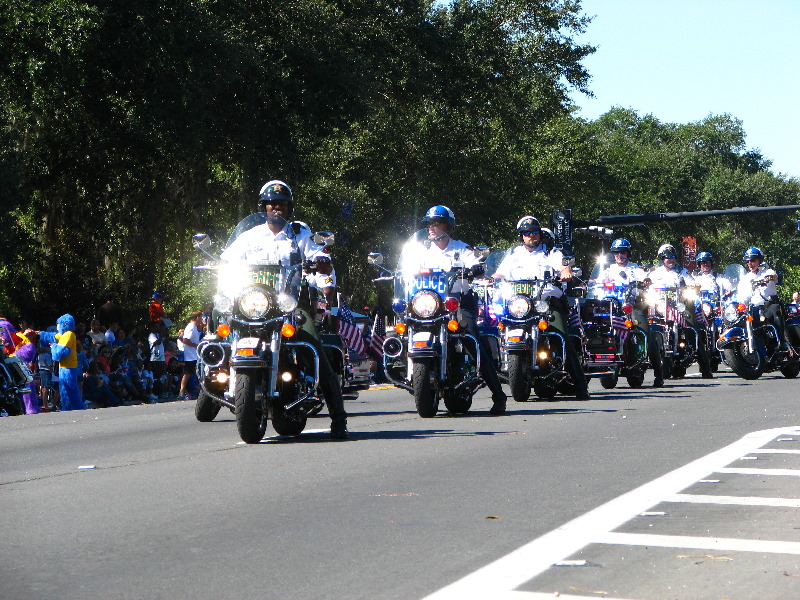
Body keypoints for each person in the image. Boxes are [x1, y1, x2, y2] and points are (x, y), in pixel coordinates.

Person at [219, 179, 349, 438]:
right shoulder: (249, 236)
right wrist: (222, 285)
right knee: (217, 323)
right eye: (271, 205)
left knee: (314, 345)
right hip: (253, 304)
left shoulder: (301, 234)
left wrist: (322, 264)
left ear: (289, 208)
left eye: (281, 205)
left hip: (291, 305)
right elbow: (226, 262)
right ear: (263, 207)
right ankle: (214, 367)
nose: (276, 209)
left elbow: (319, 258)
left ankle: (338, 417)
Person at [492, 215, 590, 400]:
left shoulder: (551, 252)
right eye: (527, 233)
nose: (531, 236)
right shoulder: (513, 253)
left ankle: (580, 384)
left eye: (534, 232)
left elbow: (562, 265)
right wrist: (490, 279)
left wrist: (566, 271)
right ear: (522, 236)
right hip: (519, 304)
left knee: (561, 335)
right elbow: (500, 273)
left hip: (546, 303)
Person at [595, 238, 664, 387]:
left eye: (623, 252)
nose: (620, 255)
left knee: (646, 333)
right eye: (617, 253)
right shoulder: (608, 270)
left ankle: (659, 374)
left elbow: (644, 276)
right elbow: (597, 285)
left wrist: (646, 280)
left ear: (628, 253)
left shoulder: (635, 269)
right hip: (611, 308)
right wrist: (593, 283)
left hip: (632, 308)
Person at [648, 243, 713, 378]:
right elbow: (647, 287)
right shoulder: (654, 274)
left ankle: (706, 368)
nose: (670, 259)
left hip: (680, 307)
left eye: (673, 257)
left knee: (693, 330)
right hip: (660, 308)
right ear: (662, 258)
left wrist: (694, 286)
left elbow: (693, 283)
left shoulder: (682, 272)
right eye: (667, 257)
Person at [736, 247, 789, 349]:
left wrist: (769, 278)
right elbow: (742, 295)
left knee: (775, 309)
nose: (750, 264)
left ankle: (781, 342)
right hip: (754, 309)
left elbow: (775, 277)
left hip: (768, 306)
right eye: (748, 261)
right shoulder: (745, 278)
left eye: (753, 260)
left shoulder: (767, 271)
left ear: (759, 260)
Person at [177, 311, 203, 400]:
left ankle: (187, 391)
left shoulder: (193, 327)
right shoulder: (191, 327)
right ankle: (182, 392)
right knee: (188, 373)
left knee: (191, 373)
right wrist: (196, 346)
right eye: (200, 317)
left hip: (194, 355)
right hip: (191, 355)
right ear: (196, 318)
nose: (202, 319)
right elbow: (185, 340)